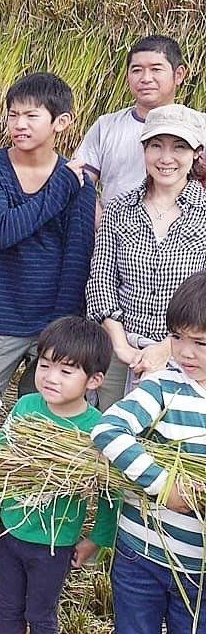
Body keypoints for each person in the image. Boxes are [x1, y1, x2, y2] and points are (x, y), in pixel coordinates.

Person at [0, 317, 115, 634]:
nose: (51, 377)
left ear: (94, 380)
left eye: (66, 371)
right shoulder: (26, 407)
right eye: (45, 365)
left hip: (54, 540)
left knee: (41, 609)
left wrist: (97, 539)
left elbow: (109, 493)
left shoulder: (97, 431)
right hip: (11, 531)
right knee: (7, 604)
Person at [91, 270, 206, 634]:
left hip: (198, 569)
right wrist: (163, 485)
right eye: (177, 337)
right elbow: (108, 429)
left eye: (199, 343)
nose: (185, 351)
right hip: (142, 550)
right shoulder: (163, 386)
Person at [0, 73, 96, 399]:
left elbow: (77, 257)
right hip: (2, 315)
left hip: (53, 318)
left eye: (31, 115)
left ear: (61, 121)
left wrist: (60, 329)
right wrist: (60, 187)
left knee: (43, 415)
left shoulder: (80, 184)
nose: (19, 124)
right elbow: (3, 230)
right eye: (13, 115)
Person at [86, 104, 206, 410]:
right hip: (119, 350)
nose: (166, 158)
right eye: (156, 146)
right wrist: (121, 346)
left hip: (189, 356)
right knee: (108, 431)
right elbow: (101, 279)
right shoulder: (119, 208)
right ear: (144, 149)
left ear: (196, 153)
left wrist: (168, 347)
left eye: (179, 147)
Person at [75, 36, 189, 210]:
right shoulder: (106, 126)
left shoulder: (198, 126)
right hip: (113, 233)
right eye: (136, 70)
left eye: (156, 69)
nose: (145, 78)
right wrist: (103, 223)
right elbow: (79, 183)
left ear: (179, 74)